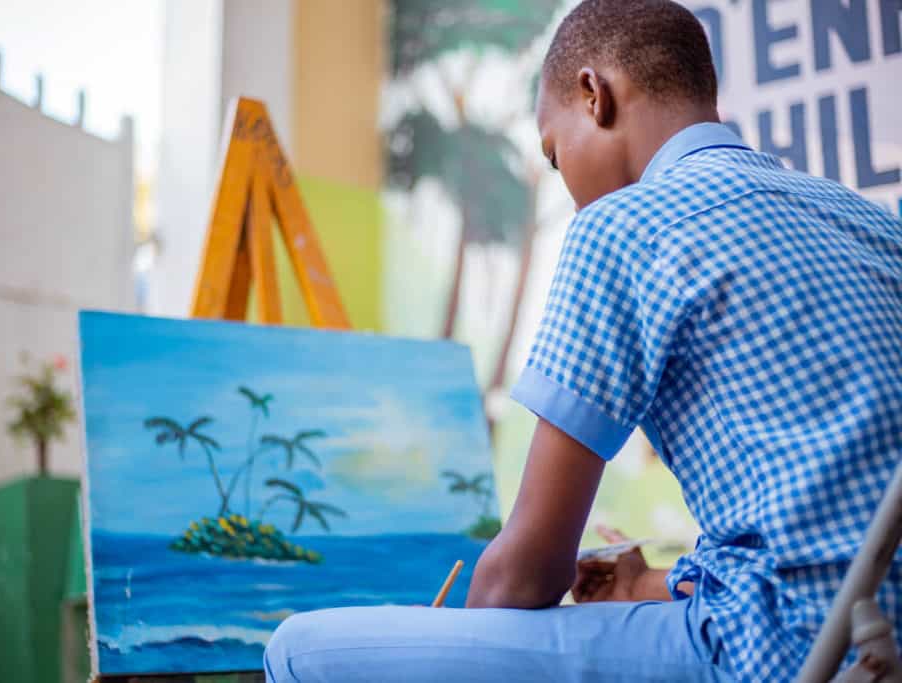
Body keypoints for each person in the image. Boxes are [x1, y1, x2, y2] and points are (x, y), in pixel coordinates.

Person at [263, 0, 902, 680]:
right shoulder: (872, 224)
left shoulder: (623, 227)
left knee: (298, 649)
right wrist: (651, 583)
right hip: (872, 641)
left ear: (593, 96)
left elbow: (530, 569)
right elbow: (827, 528)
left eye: (552, 150)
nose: (567, 188)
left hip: (776, 653)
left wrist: (451, 635)